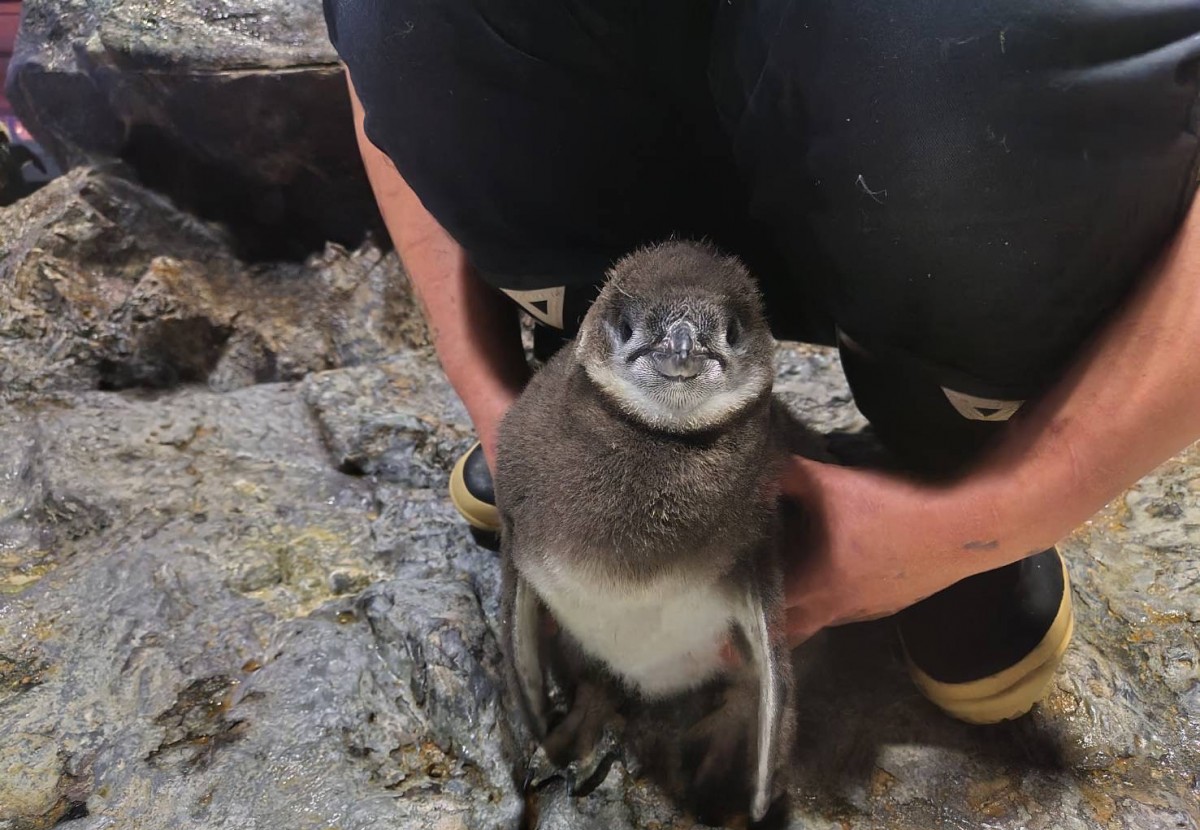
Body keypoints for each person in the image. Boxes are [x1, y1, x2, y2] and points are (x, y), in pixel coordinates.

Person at [324, 0, 1200, 724]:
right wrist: (500, 398)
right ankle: (604, 403)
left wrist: (988, 513)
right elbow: (384, 50)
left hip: (946, 128)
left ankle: (950, 442)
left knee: (997, 53)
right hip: (652, 129)